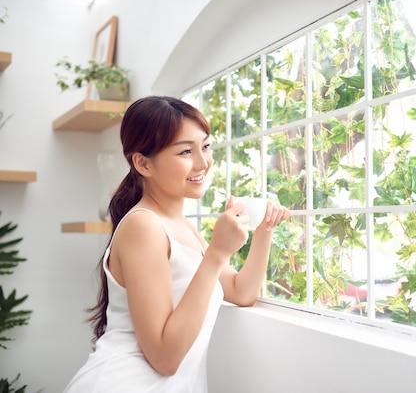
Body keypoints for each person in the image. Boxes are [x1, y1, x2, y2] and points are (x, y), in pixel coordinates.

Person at [63, 96, 290, 392]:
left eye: (206, 146)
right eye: (185, 151)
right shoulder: (143, 226)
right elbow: (164, 358)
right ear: (143, 163)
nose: (203, 162)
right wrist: (218, 252)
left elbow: (241, 291)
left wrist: (264, 230)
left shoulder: (182, 226)